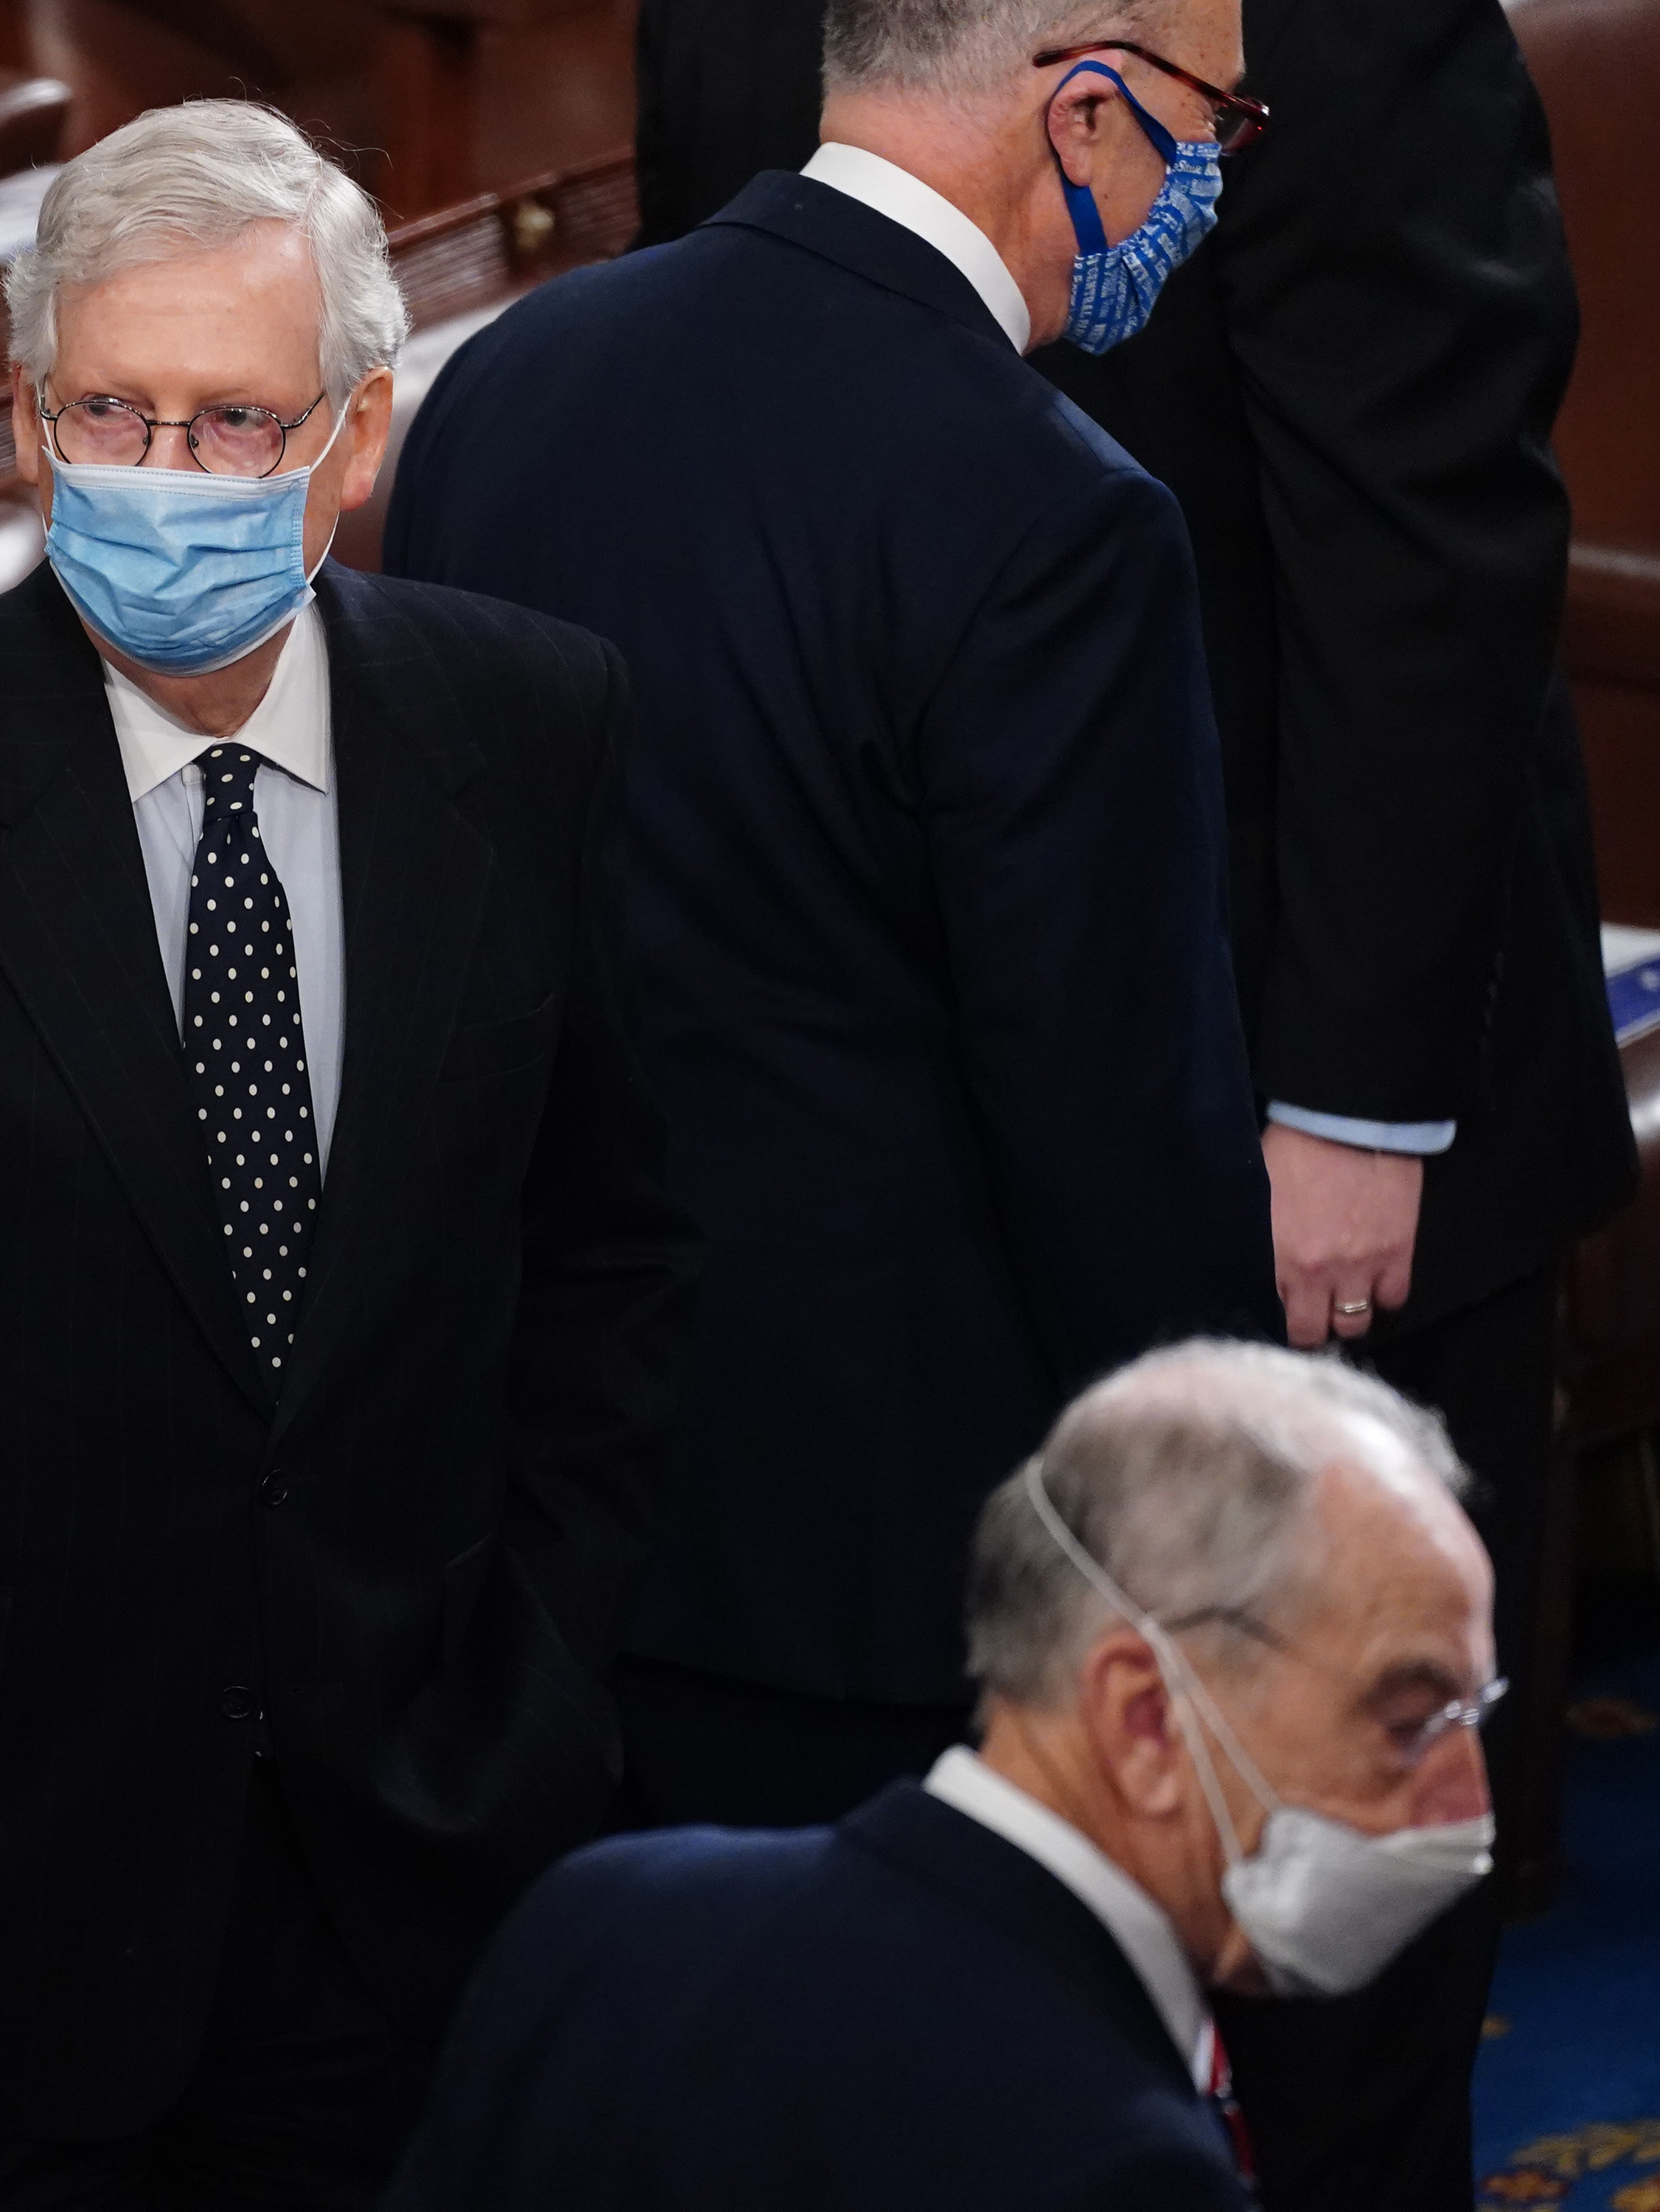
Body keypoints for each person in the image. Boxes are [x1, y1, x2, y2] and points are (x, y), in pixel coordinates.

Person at [0, 98, 696, 2211]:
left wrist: (538, 1685)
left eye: (235, 423)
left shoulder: (535, 724)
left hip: (420, 1868)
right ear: (24, 417)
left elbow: (608, 1250)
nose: (163, 476)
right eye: (113, 408)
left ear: (356, 441)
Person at [624, 0, 1636, 2198]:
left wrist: (1352, 1110)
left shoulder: (1349, 29)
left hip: (1321, 1096)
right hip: (905, 1132)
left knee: (1336, 1913)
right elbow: (731, 435)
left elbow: (1427, 552)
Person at [386, 0, 1278, 1837]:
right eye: (1216, 116)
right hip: (892, 1572)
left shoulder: (507, 379)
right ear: (1087, 111)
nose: (1212, 171)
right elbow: (1110, 1121)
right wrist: (1209, 1564)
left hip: (529, 1513)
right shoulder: (1057, 517)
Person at [389, 1340, 1504, 2212]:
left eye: (1477, 1717)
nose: (1472, 1810)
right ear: (1147, 1715)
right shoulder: (1122, 2169)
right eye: (1409, 1721)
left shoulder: (598, 1917)